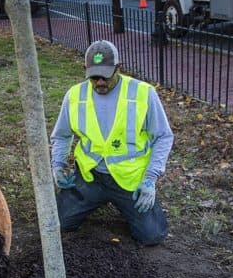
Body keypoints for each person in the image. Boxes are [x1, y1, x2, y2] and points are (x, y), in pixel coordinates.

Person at [50, 40, 174, 245]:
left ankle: (122, 203)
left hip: (130, 181)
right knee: (60, 223)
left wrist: (150, 179)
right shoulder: (75, 96)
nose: (100, 83)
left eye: (105, 76)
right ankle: (94, 199)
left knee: (152, 236)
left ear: (119, 67)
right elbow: (62, 135)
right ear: (85, 70)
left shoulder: (143, 93)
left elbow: (163, 136)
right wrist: (58, 165)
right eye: (94, 77)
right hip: (91, 178)